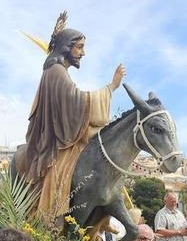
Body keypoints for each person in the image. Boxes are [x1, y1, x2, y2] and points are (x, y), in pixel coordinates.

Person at [17, 12, 126, 217]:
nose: (83, 53)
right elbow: (77, 102)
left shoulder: (57, 71)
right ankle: (54, 216)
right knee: (63, 173)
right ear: (67, 47)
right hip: (52, 142)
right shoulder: (56, 71)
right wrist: (111, 87)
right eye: (80, 47)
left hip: (61, 134)